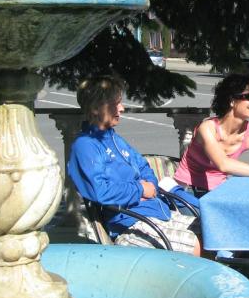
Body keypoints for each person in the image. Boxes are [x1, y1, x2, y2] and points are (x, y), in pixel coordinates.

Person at [67, 75, 202, 255]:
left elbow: (144, 167)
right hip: (130, 223)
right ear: (95, 108)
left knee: (209, 230)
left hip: (155, 212)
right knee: (196, 244)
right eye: (116, 103)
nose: (122, 108)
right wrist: (140, 190)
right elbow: (100, 191)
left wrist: (149, 187)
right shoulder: (85, 146)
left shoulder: (114, 139)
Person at [173, 74, 249, 196]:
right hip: (186, 191)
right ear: (232, 101)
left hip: (217, 192)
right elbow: (224, 164)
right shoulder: (207, 128)